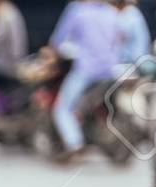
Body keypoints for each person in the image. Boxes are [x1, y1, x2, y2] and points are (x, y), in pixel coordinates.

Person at [48, 0, 122, 161]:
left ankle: (74, 143)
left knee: (63, 108)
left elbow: (58, 41)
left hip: (86, 70)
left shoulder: (77, 10)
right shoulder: (112, 13)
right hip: (111, 70)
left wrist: (51, 53)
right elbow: (120, 40)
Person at [115, 0, 152, 65]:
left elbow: (142, 42)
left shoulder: (132, 13)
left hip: (134, 63)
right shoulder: (113, 14)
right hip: (125, 62)